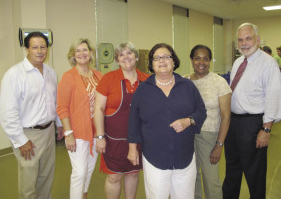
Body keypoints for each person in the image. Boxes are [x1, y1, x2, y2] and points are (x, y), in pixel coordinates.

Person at [128, 43, 207, 199]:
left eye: (166, 57)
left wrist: (189, 121)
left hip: (184, 156)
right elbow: (134, 120)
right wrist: (132, 148)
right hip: (154, 156)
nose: (162, 61)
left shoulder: (187, 86)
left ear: (174, 61)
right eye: (157, 58)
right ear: (151, 64)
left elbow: (201, 111)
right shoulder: (143, 89)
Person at [0, 31, 64, 199]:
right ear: (26, 49)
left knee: (45, 178)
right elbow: (7, 112)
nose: (40, 51)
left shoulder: (50, 72)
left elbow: (54, 102)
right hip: (28, 135)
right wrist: (21, 140)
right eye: (34, 47)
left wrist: (59, 124)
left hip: (49, 131)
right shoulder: (14, 75)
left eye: (43, 47)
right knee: (29, 183)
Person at [223, 23, 281, 199]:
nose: (244, 43)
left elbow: (273, 98)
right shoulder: (238, 62)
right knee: (232, 170)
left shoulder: (268, 63)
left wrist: (266, 130)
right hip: (233, 124)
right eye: (240, 40)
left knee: (254, 174)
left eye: (248, 38)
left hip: (253, 124)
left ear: (257, 39)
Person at [94, 42, 149, 199]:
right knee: (114, 177)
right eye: (121, 55)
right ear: (117, 60)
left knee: (132, 174)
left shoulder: (146, 80)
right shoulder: (108, 79)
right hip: (113, 140)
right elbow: (98, 109)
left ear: (136, 57)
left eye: (129, 53)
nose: (126, 57)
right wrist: (100, 137)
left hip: (138, 139)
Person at [57, 38, 103, 199]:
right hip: (77, 132)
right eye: (78, 51)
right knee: (79, 172)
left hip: (95, 132)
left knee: (89, 169)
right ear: (73, 55)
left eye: (85, 50)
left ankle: (83, 195)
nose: (82, 53)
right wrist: (68, 134)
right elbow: (61, 107)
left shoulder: (98, 75)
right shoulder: (68, 77)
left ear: (91, 54)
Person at [187, 45, 231, 199]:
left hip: (209, 137)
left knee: (211, 180)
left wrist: (219, 145)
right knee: (191, 178)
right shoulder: (185, 81)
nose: (202, 62)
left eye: (206, 58)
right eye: (197, 58)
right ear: (192, 60)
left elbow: (226, 116)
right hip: (188, 135)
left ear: (210, 61)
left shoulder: (219, 82)